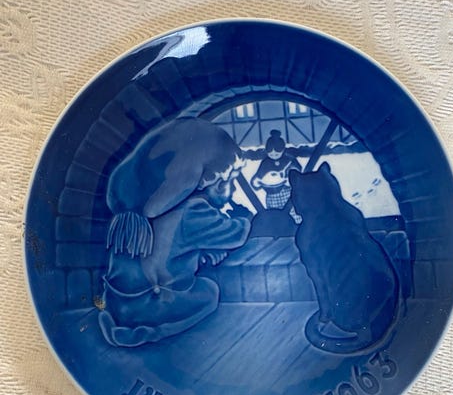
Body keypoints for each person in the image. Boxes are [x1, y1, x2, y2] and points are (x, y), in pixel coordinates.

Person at [98, 118, 251, 347]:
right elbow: (236, 233)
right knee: (209, 292)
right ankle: (146, 333)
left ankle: (116, 322)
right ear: (208, 180)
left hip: (116, 302)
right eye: (229, 181)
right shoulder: (193, 211)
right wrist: (246, 218)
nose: (232, 189)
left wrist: (201, 253)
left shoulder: (131, 213)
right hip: (152, 304)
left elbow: (165, 253)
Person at [251, 130, 302, 223]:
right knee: (275, 215)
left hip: (287, 194)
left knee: (292, 213)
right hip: (271, 196)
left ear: (283, 150)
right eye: (271, 154)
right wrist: (256, 182)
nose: (274, 156)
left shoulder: (289, 160)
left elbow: (298, 173)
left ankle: (295, 227)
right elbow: (258, 176)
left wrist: (290, 181)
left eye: (277, 154)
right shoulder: (265, 162)